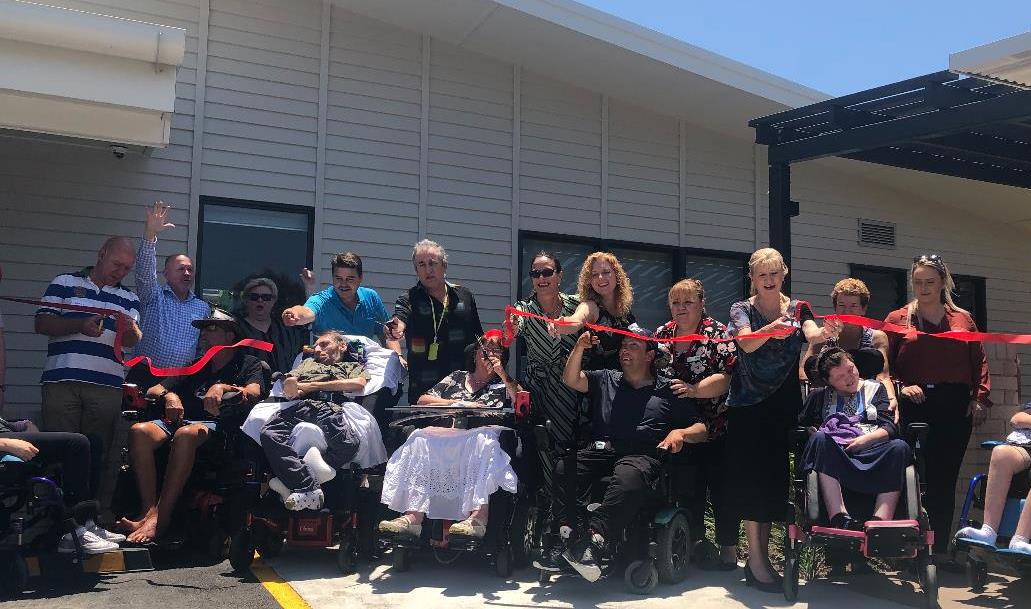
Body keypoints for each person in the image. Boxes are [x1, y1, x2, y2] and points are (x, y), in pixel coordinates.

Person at [538, 328, 706, 582]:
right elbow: (571, 379)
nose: (625, 350)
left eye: (633, 346)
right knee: (565, 467)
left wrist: (680, 433)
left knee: (627, 477)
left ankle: (596, 541)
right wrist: (580, 346)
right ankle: (567, 537)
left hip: (641, 454)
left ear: (650, 355)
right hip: (602, 449)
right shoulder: (606, 378)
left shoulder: (668, 389)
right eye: (623, 345)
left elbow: (702, 429)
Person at [724, 247, 833, 592]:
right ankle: (756, 561)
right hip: (747, 406)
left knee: (774, 483)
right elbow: (746, 343)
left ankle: (761, 561)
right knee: (752, 482)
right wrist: (773, 328)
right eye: (762, 275)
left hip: (783, 405)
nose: (769, 280)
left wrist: (825, 333)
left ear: (784, 274)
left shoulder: (798, 308)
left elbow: (812, 332)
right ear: (752, 278)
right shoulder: (741, 309)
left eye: (774, 273)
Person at [120, 309, 264, 543]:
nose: (203, 335)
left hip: (219, 428)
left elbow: (254, 392)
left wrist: (222, 387)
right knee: (139, 431)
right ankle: (148, 511)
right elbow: (154, 390)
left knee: (185, 434)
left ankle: (161, 519)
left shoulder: (248, 363)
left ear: (230, 335)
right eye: (202, 330)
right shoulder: (196, 365)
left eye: (211, 329)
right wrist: (169, 396)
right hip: (181, 421)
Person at [885, 254, 991, 561]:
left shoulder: (963, 319)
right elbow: (884, 364)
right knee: (911, 477)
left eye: (930, 282)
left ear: (943, 282)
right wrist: (901, 386)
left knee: (945, 479)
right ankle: (907, 551)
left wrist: (980, 397)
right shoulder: (898, 318)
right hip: (914, 405)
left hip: (954, 406)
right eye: (917, 282)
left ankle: (939, 551)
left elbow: (979, 360)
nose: (923, 288)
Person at [35, 236, 142, 510]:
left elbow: (131, 340)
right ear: (101, 253)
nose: (120, 272)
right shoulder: (64, 282)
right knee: (56, 452)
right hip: (62, 381)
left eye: (126, 268)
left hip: (106, 386)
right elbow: (42, 322)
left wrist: (129, 330)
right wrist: (79, 325)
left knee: (98, 454)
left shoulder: (130, 298)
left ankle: (90, 516)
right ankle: (54, 518)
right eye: (117, 264)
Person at [378, 339, 521, 540]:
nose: (489, 353)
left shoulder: (503, 384)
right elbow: (423, 400)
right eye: (485, 348)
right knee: (418, 438)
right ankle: (413, 517)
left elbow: (521, 398)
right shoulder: (457, 377)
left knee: (484, 441)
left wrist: (502, 374)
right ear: (474, 354)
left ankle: (478, 518)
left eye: (496, 350)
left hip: (481, 433)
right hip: (449, 432)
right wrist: (457, 403)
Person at [655, 278, 739, 570]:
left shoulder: (718, 334)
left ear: (702, 304)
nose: (681, 308)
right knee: (687, 491)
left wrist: (693, 390)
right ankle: (691, 546)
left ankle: (728, 549)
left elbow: (727, 378)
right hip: (679, 429)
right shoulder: (662, 334)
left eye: (688, 302)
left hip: (716, 426)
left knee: (722, 492)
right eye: (675, 302)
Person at [284, 252, 406, 428]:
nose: (343, 284)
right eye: (338, 278)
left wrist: (398, 355)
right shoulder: (322, 299)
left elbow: (387, 334)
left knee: (386, 381)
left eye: (350, 279)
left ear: (360, 278)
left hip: (361, 361)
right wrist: (294, 314)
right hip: (327, 362)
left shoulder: (371, 297)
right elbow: (306, 312)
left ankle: (370, 434)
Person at [258, 331, 371, 511]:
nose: (317, 349)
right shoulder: (307, 363)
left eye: (324, 344)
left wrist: (312, 385)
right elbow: (291, 389)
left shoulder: (351, 365)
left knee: (348, 444)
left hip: (330, 407)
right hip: (302, 405)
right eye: (316, 346)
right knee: (270, 433)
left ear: (342, 346)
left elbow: (358, 384)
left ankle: (291, 482)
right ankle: (307, 485)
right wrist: (290, 384)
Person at [800, 348, 911, 530]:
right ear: (829, 381)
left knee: (899, 447)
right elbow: (802, 426)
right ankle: (839, 516)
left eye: (851, 370)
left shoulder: (875, 388)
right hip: (837, 455)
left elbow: (890, 426)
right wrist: (810, 431)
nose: (849, 378)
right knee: (819, 439)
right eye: (840, 377)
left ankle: (880, 520)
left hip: (872, 448)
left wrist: (865, 441)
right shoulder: (819, 396)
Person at [508, 252, 582, 511]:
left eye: (547, 272)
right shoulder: (524, 309)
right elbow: (513, 328)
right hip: (537, 386)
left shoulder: (575, 305)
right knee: (538, 443)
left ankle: (565, 506)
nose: (541, 278)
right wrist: (509, 328)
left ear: (559, 275)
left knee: (565, 443)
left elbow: (589, 316)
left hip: (568, 386)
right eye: (536, 273)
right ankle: (543, 504)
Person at [384, 240, 484, 401]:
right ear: (416, 270)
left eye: (432, 263)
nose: (428, 270)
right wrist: (395, 328)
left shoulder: (464, 296)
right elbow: (400, 318)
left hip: (464, 387)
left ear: (444, 266)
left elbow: (478, 337)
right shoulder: (409, 299)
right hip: (425, 391)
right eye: (421, 265)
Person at [132, 202, 210, 369]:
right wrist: (150, 234)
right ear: (166, 274)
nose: (187, 273)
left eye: (190, 269)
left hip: (181, 379)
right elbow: (144, 273)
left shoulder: (202, 308)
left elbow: (202, 347)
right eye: (181, 269)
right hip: (146, 375)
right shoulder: (153, 296)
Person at [801, 278, 897, 411]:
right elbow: (804, 373)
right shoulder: (822, 335)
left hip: (866, 401)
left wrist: (891, 399)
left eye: (853, 306)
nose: (847, 311)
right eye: (841, 305)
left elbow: (883, 376)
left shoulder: (877, 337)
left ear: (863, 309)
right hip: (830, 403)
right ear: (835, 308)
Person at [955, 401, 1031, 555]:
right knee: (1001, 453)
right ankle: (988, 532)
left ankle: (1020, 540)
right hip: (1025, 448)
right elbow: (1017, 419)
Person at [549, 252, 636, 371]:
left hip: (625, 379)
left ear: (617, 275)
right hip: (597, 380)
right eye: (594, 274)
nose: (600, 277)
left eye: (606, 272)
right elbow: (576, 320)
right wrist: (560, 325)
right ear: (589, 281)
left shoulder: (625, 310)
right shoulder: (590, 306)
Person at [238, 277, 307, 374]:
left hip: (285, 382)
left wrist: (309, 287)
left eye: (266, 297)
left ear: (274, 300)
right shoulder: (237, 329)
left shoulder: (287, 330)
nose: (260, 300)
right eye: (254, 297)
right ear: (246, 300)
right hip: (251, 382)